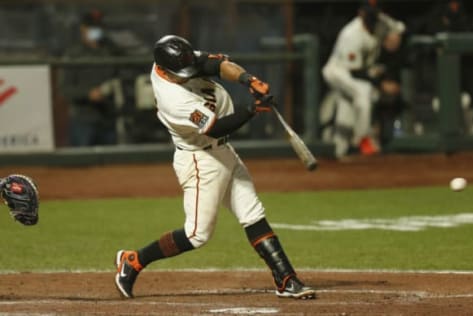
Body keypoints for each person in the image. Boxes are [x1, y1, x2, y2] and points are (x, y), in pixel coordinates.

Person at [114, 35, 315, 300]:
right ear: (164, 70)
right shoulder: (172, 98)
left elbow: (215, 64)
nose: (186, 75)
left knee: (252, 214)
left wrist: (249, 80)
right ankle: (134, 260)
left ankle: (286, 279)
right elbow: (214, 128)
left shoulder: (179, 59)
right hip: (200, 160)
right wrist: (252, 109)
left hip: (224, 151)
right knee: (197, 235)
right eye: (181, 73)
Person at [321, 0, 405, 158]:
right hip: (339, 72)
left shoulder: (382, 21)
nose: (373, 17)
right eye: (369, 13)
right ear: (361, 13)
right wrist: (381, 84)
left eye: (375, 12)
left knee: (348, 105)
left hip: (360, 71)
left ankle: (341, 150)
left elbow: (399, 28)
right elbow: (355, 71)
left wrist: (395, 36)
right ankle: (362, 139)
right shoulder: (351, 34)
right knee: (364, 94)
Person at [60, 9, 124, 146]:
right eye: (93, 27)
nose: (97, 31)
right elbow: (65, 89)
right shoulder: (73, 54)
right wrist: (88, 94)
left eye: (99, 27)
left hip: (108, 119)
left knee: (111, 165)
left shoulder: (112, 51)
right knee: (81, 165)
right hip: (83, 120)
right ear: (83, 29)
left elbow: (121, 78)